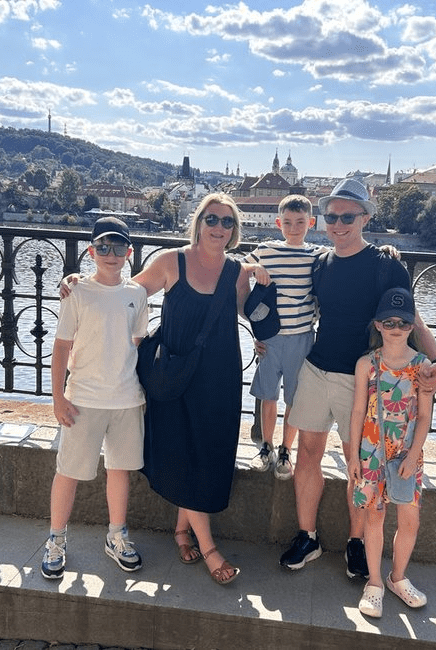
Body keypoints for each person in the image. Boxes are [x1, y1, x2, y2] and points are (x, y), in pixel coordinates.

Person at [279, 178, 436, 580]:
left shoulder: (385, 264)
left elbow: (410, 316)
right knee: (308, 457)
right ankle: (308, 536)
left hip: (365, 379)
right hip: (318, 368)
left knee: (362, 467)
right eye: (332, 216)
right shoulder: (320, 262)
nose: (338, 223)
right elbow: (288, 298)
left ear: (365, 218)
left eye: (347, 216)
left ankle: (356, 541)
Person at [130, 193, 254, 585]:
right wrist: (79, 283)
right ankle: (209, 547)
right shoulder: (172, 261)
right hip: (176, 373)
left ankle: (182, 531)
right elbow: (127, 296)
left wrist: (259, 275)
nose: (219, 228)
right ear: (198, 221)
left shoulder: (236, 271)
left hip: (220, 376)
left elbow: (250, 311)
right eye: (212, 219)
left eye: (227, 222)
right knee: (183, 450)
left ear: (235, 230)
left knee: (209, 451)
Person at [42, 216, 149, 580]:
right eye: (103, 246)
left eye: (118, 247)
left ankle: (116, 534)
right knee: (67, 471)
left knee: (119, 471)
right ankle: (56, 538)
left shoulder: (137, 294)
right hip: (82, 398)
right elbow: (60, 348)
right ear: (91, 251)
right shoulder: (78, 292)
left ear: (129, 253)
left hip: (125, 398)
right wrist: (57, 397)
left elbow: (135, 343)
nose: (111, 254)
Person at [347, 287, 433, 618]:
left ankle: (398, 577)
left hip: (407, 454)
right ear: (378, 325)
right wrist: (354, 456)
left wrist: (414, 455)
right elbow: (357, 411)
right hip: (371, 451)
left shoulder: (422, 366)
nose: (396, 327)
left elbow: (425, 416)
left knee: (410, 518)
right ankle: (374, 582)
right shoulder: (366, 365)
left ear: (412, 326)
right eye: (389, 321)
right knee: (375, 516)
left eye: (404, 322)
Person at [243, 194, 321, 480]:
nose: (294, 227)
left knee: (294, 397)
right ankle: (266, 446)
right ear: (278, 223)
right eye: (287, 222)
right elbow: (236, 270)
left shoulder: (316, 255)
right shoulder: (266, 250)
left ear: (310, 223)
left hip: (302, 335)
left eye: (300, 222)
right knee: (267, 394)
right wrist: (254, 268)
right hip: (271, 336)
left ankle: (286, 450)